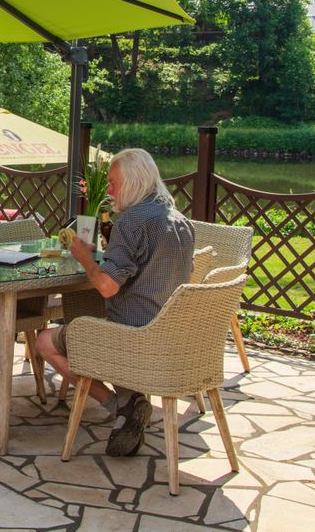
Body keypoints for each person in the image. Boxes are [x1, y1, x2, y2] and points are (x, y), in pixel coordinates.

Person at [36, 148, 194, 457]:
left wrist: (84, 257)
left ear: (133, 182)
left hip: (131, 338)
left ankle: (119, 405)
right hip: (172, 337)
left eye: (112, 183)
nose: (108, 190)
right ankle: (129, 403)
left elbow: (107, 287)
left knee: (45, 341)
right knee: (88, 323)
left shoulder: (132, 221)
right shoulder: (181, 221)